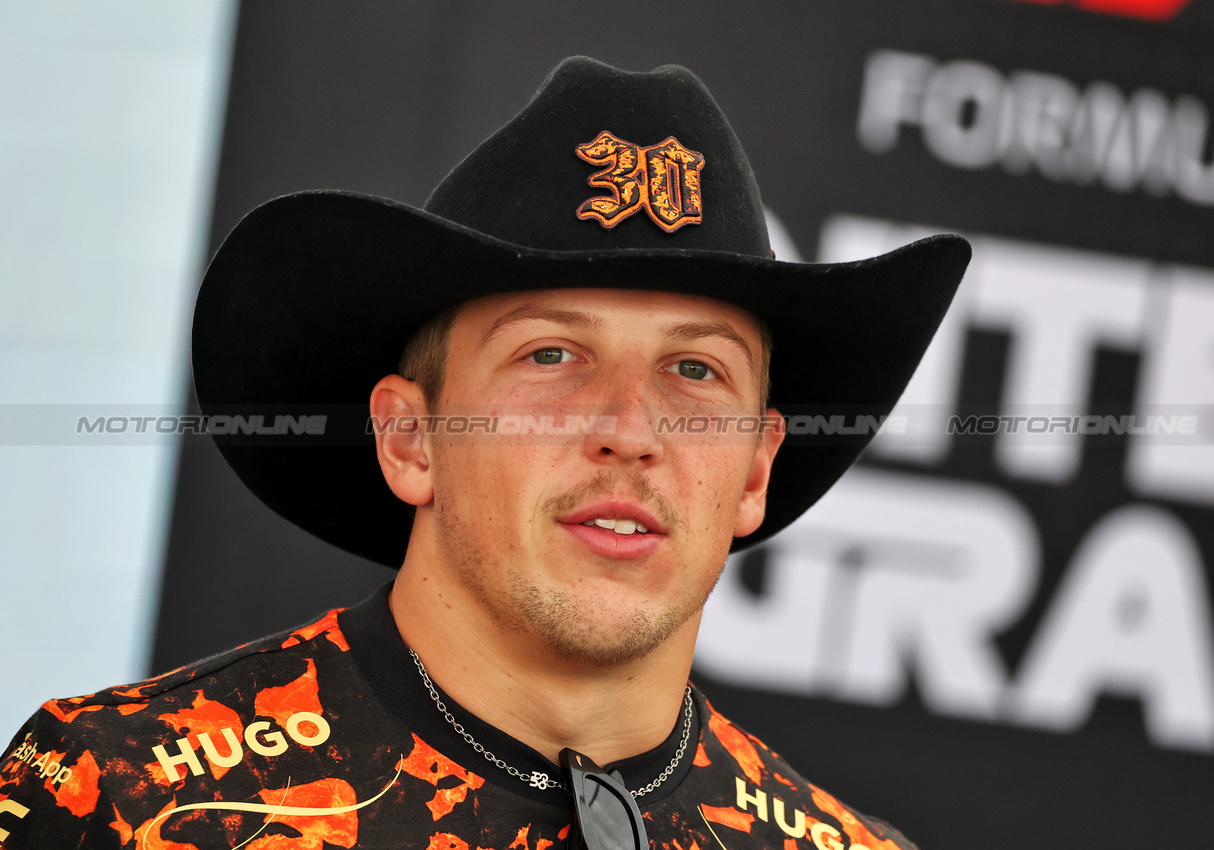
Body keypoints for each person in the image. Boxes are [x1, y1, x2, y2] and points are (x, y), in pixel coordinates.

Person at [0, 57, 969, 850]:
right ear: (409, 436)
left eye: (694, 371)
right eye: (550, 355)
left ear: (754, 469)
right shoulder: (125, 797)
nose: (630, 430)